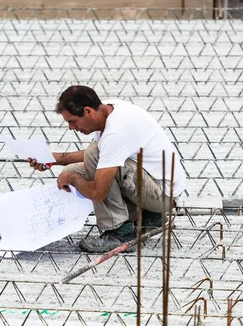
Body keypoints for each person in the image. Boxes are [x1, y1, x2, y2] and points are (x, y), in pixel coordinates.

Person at [28, 85, 185, 253]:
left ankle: (119, 232)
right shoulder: (106, 110)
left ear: (88, 111)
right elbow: (105, 151)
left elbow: (98, 192)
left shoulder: (116, 131)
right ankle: (147, 217)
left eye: (72, 121)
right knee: (73, 168)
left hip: (161, 193)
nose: (71, 128)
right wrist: (55, 159)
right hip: (149, 182)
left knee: (88, 161)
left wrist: (73, 180)